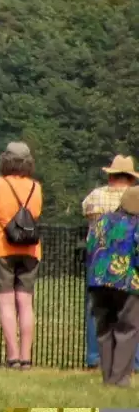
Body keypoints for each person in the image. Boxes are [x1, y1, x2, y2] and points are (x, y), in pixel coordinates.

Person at [0, 142, 43, 369]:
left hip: (1, 247)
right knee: (25, 303)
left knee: (6, 302)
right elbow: (36, 213)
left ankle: (13, 356)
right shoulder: (36, 187)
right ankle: (26, 357)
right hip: (30, 249)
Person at [82, 155, 139, 370]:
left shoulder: (96, 196)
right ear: (131, 179)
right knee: (130, 317)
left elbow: (85, 211)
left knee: (98, 314)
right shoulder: (135, 199)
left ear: (111, 176)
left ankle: (95, 358)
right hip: (128, 265)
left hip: (99, 262)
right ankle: (132, 361)